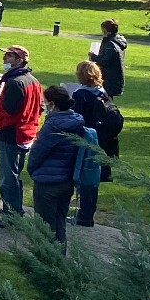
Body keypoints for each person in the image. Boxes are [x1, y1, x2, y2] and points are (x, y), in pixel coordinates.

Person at [0, 46, 42, 228]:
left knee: (8, 177)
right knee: (15, 175)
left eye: (10, 55)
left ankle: (11, 216)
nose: (5, 57)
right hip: (27, 133)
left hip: (11, 133)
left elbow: (7, 109)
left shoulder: (15, 82)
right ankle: (15, 211)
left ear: (20, 60)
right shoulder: (33, 80)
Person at [26, 86, 88, 244]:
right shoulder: (76, 122)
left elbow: (37, 153)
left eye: (45, 102)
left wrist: (32, 171)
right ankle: (60, 261)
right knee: (60, 225)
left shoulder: (52, 126)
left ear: (52, 104)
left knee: (45, 227)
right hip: (67, 180)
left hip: (47, 182)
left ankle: (46, 263)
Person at [71, 61, 120, 226]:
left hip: (88, 140)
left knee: (83, 177)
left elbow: (76, 120)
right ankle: (88, 213)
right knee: (93, 179)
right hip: (104, 141)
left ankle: (83, 215)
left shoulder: (81, 95)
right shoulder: (103, 93)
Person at [91, 18, 128, 100]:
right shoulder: (117, 42)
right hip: (113, 76)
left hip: (109, 77)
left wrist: (93, 57)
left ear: (107, 30)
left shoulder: (110, 44)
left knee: (106, 99)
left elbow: (106, 61)